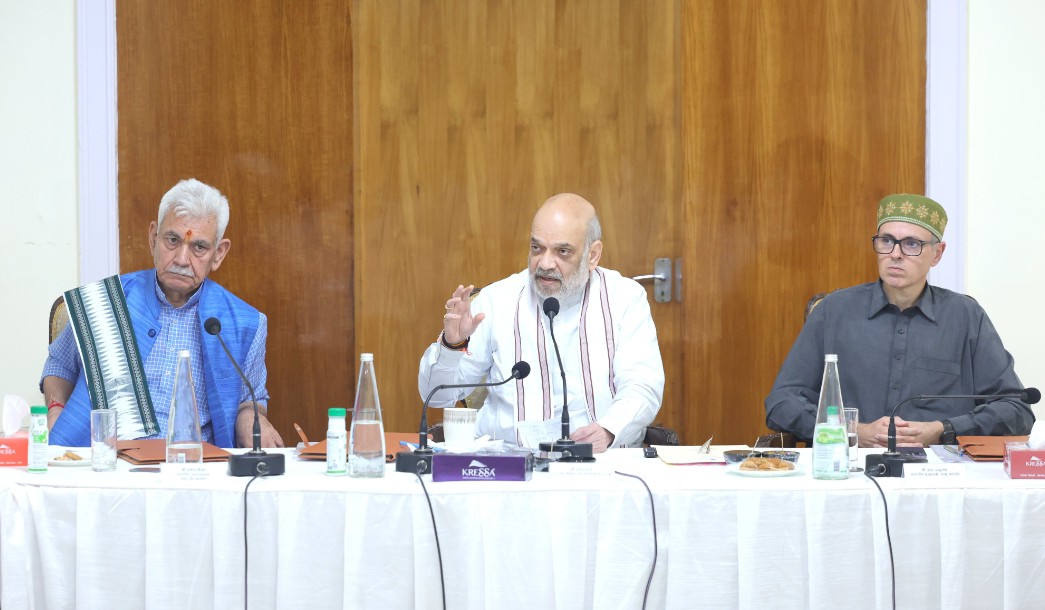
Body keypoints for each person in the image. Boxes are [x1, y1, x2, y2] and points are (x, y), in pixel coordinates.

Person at [765, 194, 1034, 446]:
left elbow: (1016, 409)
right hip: (850, 465)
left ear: (937, 254)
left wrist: (943, 429)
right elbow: (781, 403)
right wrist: (853, 431)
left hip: (939, 470)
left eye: (911, 244)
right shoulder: (834, 310)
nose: (895, 254)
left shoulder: (965, 316)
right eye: (886, 241)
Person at [41, 179, 284, 448]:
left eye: (199, 247)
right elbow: (59, 365)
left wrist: (250, 418)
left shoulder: (245, 323)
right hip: (107, 459)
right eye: (172, 240)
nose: (181, 259)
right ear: (153, 238)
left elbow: (251, 399)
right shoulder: (104, 303)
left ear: (218, 254)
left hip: (196, 463)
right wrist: (55, 408)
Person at [418, 193, 664, 453]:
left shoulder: (624, 298)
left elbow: (643, 385)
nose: (545, 264)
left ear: (593, 255)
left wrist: (609, 429)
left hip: (601, 459)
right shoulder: (496, 300)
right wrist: (451, 347)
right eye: (537, 248)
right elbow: (437, 395)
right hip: (510, 460)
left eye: (562, 251)